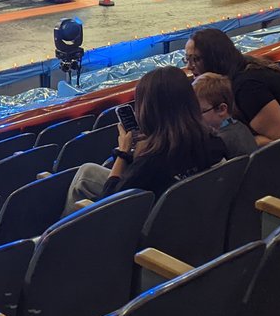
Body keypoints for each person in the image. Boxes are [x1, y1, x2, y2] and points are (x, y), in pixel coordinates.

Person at [63, 67, 225, 214]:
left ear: (148, 112)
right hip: (191, 217)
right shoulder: (214, 143)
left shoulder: (151, 165)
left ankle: (58, 240)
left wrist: (123, 153)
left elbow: (108, 205)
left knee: (84, 178)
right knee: (87, 172)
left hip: (148, 235)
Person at [184, 27, 280, 144]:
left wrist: (237, 142)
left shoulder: (248, 88)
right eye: (187, 59)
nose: (189, 66)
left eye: (195, 59)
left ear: (215, 59)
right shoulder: (245, 67)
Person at [193, 72, 258, 158]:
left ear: (222, 109)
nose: (196, 118)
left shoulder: (221, 141)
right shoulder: (240, 126)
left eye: (200, 112)